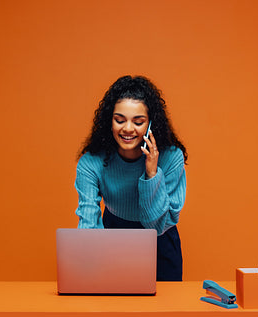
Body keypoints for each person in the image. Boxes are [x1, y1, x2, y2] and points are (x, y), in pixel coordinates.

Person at [75, 75, 188, 281]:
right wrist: (88, 264)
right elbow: (88, 222)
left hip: (160, 243)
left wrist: (152, 173)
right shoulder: (91, 162)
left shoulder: (171, 157)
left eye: (138, 122)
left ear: (151, 124)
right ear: (109, 121)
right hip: (111, 238)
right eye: (119, 120)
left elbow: (155, 227)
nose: (127, 129)